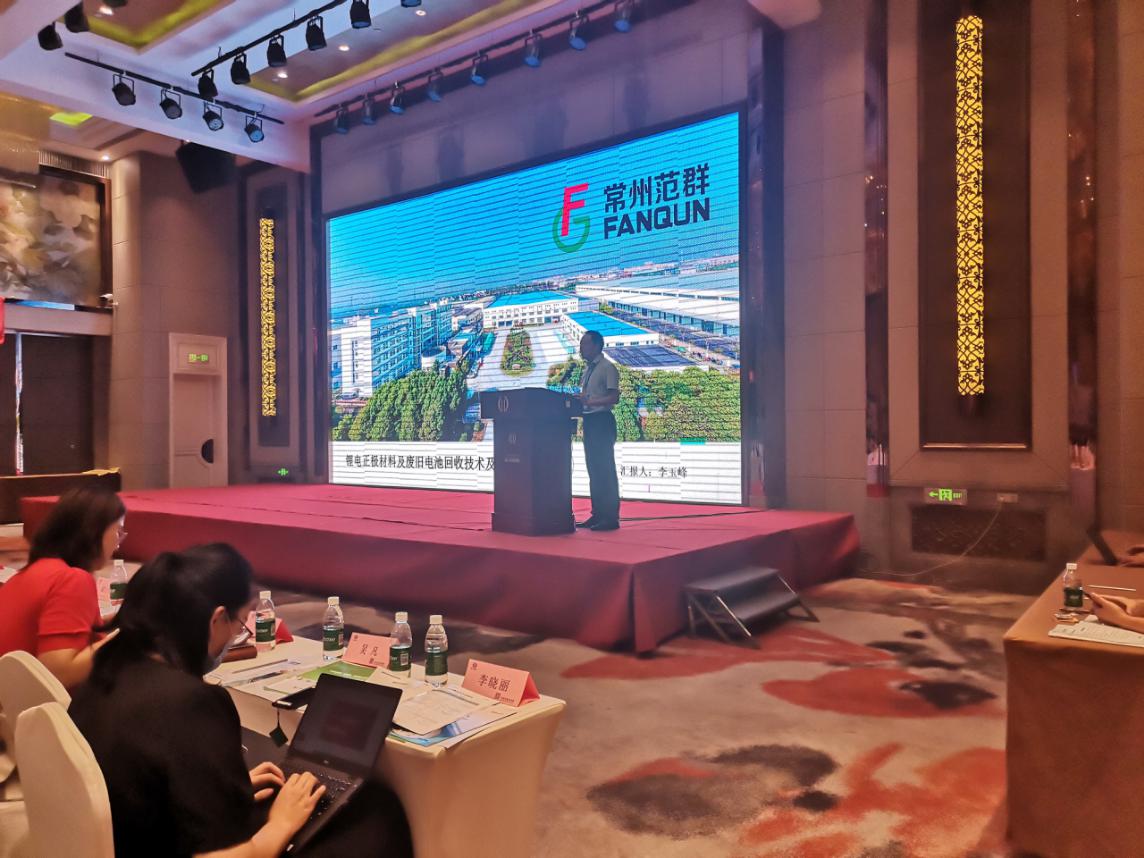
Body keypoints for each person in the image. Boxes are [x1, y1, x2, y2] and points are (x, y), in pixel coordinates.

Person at [69, 544, 411, 858]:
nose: (237, 635)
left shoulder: (103, 672)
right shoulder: (191, 703)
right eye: (240, 622)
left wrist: (229, 787)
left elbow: (145, 781)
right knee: (378, 817)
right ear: (216, 619)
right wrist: (279, 828)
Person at [0, 487, 125, 688]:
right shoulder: (72, 579)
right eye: (118, 532)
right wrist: (126, 638)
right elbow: (59, 673)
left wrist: (121, 618)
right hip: (30, 702)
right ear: (94, 531)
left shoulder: (33, 571)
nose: (119, 544)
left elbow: (62, 627)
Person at [576, 330, 621, 532]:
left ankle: (610, 517)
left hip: (602, 420)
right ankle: (598, 514)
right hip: (590, 421)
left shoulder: (607, 367)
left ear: (596, 345)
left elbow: (614, 398)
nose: (581, 348)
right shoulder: (588, 369)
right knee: (594, 469)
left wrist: (590, 402)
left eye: (584, 344)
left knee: (605, 469)